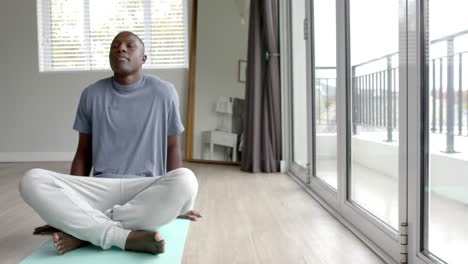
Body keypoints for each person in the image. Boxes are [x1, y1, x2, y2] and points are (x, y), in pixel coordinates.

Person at [18, 31, 201, 255]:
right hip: (100, 189)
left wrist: (177, 205)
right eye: (115, 46)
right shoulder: (91, 94)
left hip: (146, 188)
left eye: (130, 45)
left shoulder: (165, 93)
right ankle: (119, 236)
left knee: (187, 180)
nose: (121, 49)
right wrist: (74, 199)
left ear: (144, 58)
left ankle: (84, 233)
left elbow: (172, 146)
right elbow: (83, 152)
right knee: (31, 179)